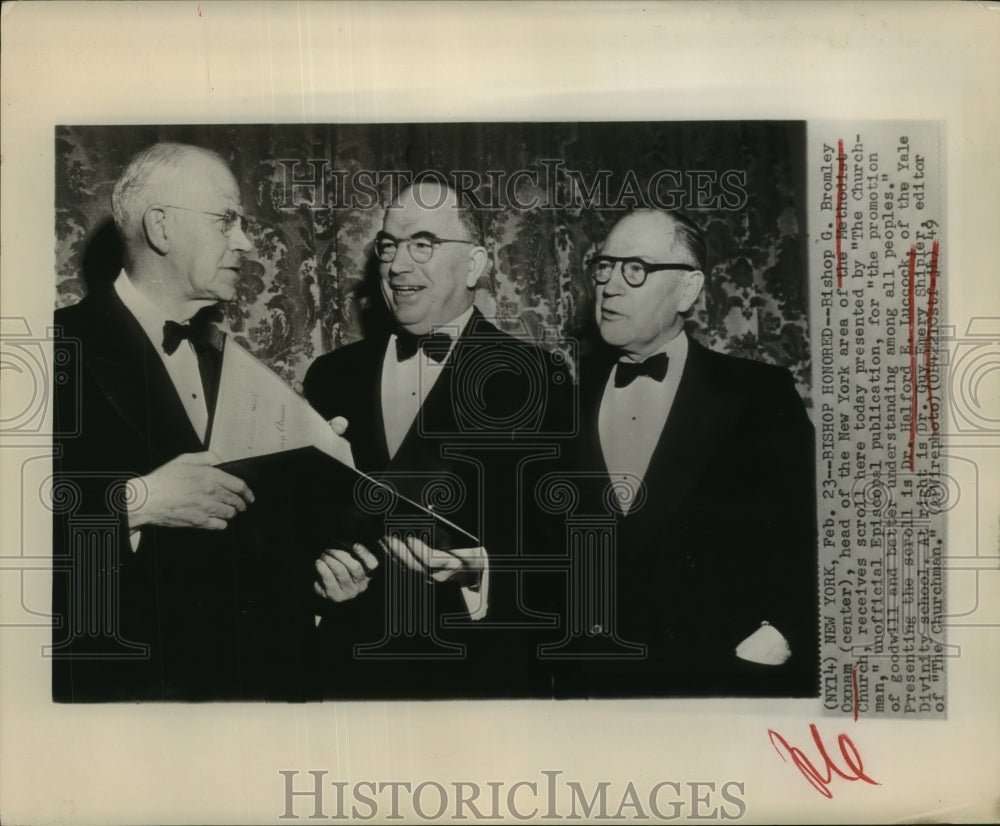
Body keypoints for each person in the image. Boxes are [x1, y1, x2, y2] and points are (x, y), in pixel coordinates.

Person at [52, 142, 325, 700]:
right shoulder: (49, 349)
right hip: (131, 699)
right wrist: (137, 500)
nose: (247, 243)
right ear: (161, 228)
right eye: (227, 220)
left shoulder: (238, 367)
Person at [303, 180, 574, 698]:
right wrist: (320, 578)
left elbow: (563, 540)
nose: (398, 266)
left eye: (423, 244)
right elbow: (306, 519)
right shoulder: (331, 376)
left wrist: (480, 571)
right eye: (389, 246)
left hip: (474, 671)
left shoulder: (538, 377)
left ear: (474, 265)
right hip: (348, 670)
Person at [560, 208, 818, 697]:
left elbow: (818, 532)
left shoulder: (757, 395)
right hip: (592, 693)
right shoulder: (563, 403)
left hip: (722, 689)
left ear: (687, 290)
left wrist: (783, 636)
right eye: (604, 266)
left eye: (635, 269)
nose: (610, 285)